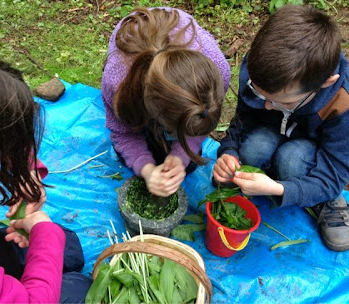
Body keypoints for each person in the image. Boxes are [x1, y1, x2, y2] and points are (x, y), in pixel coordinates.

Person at [0, 39, 91, 302]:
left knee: (69, 249)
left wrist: (28, 172)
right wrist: (44, 231)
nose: (2, 156)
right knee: (79, 287)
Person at [212, 5, 349, 251]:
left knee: (292, 160)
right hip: (274, 131)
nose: (265, 105)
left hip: (312, 151)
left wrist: (279, 189)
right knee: (253, 149)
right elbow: (243, 119)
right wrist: (229, 152)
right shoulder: (262, 72)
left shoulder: (342, 103)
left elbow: (335, 171)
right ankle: (273, 176)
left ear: (326, 82)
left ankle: (324, 200)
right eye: (259, 94)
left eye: (282, 101)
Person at [102, 7, 230, 197]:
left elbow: (200, 120)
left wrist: (181, 157)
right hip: (131, 62)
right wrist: (146, 170)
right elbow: (123, 133)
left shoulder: (218, 71)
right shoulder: (118, 84)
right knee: (146, 155)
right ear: (151, 110)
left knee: (188, 167)